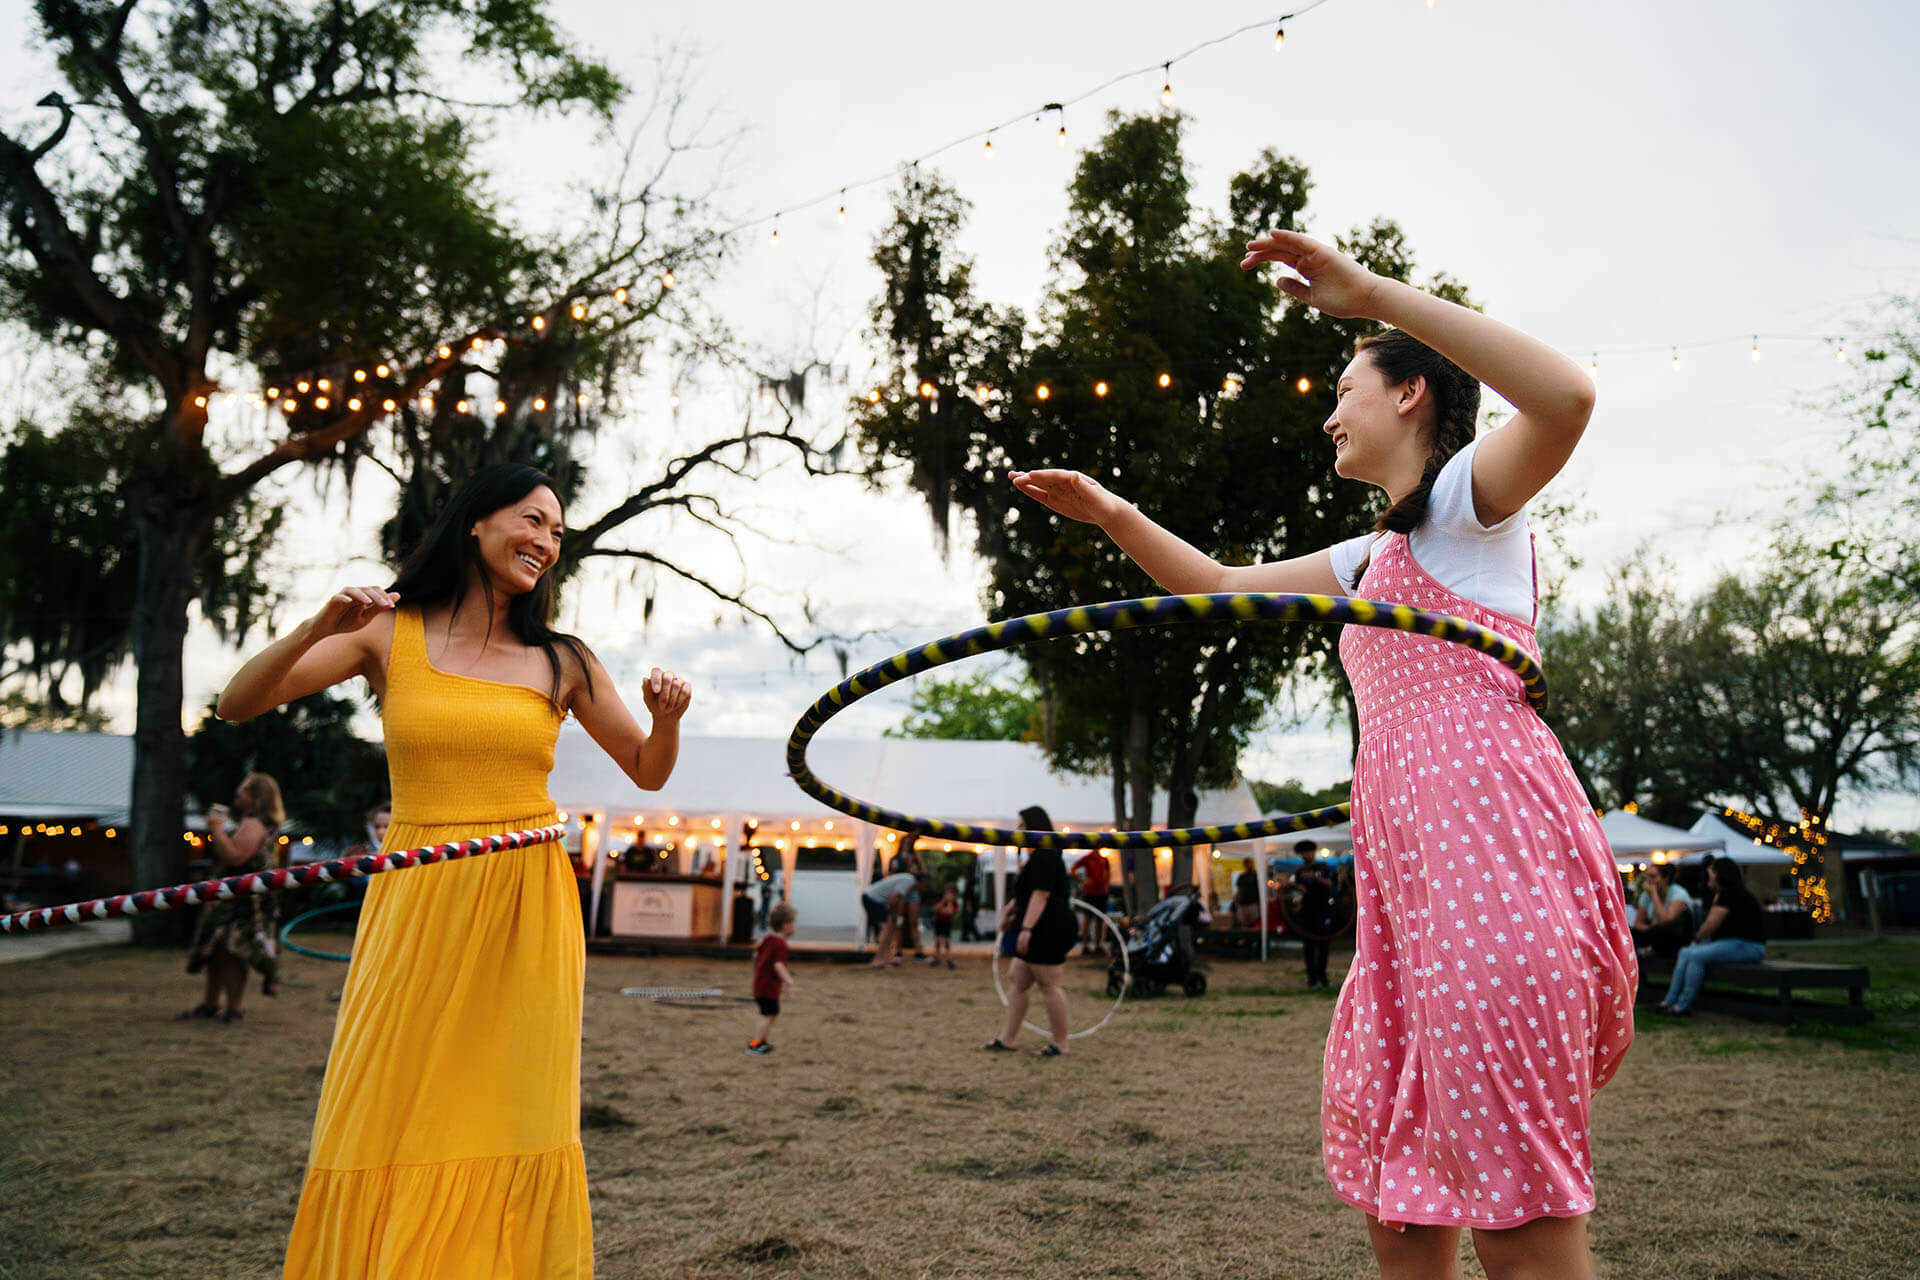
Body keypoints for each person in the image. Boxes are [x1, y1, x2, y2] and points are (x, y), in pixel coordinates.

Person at [1010, 228, 1635, 1276]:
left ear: (1410, 396)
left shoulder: (1472, 507)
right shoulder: (1375, 552)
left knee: (1518, 1228)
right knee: (1401, 1205)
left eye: (1346, 382)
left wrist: (1374, 298)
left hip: (1494, 870)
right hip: (1411, 903)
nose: (1327, 408)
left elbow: (1568, 396)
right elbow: (1213, 586)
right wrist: (1114, 511)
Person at [214, 463, 692, 1277]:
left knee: (507, 1101)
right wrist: (317, 623)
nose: (546, 542)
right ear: (476, 520)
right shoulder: (386, 633)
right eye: (532, 520)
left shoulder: (564, 660)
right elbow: (237, 703)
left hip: (523, 903)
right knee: (389, 1094)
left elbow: (648, 770)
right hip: (419, 890)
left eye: (557, 533)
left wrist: (667, 719)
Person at [182, 772, 287, 1022]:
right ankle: (211, 1002)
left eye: (243, 792)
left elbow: (236, 857)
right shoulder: (255, 823)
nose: (237, 796)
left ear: (257, 798)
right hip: (235, 897)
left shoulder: (254, 824)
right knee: (216, 950)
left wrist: (216, 829)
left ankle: (234, 1007)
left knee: (232, 950)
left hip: (243, 902)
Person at [983, 806, 1079, 1058]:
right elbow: (1027, 893)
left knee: (1049, 984)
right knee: (1018, 978)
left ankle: (1060, 1044)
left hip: (1050, 928)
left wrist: (1026, 929)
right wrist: (1009, 913)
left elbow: (1041, 893)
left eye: (1023, 826)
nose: (1019, 831)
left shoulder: (1046, 853)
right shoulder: (1037, 856)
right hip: (1037, 924)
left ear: (1035, 827)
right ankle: (1008, 1039)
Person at [1658, 857, 1766, 1015]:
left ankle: (1681, 1005)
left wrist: (1695, 941)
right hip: (1738, 944)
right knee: (1685, 952)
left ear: (1719, 875)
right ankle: (1669, 1000)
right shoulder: (1730, 893)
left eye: (1710, 874)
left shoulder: (1729, 895)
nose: (1707, 877)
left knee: (1694, 955)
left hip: (1747, 946)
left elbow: (1709, 926)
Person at [747, 903, 797, 1055]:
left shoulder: (767, 939)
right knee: (768, 1016)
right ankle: (755, 1044)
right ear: (785, 925)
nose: (796, 927)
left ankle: (762, 1042)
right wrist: (789, 982)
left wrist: (759, 972)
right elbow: (778, 966)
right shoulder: (780, 944)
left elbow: (756, 956)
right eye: (794, 923)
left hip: (761, 986)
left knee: (770, 1014)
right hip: (767, 989)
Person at [1290, 840, 1338, 989]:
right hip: (1307, 913)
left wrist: (1316, 877)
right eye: (1303, 853)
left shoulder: (1324, 868)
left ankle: (1322, 977)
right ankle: (1312, 978)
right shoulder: (1299, 872)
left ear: (1313, 853)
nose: (1306, 855)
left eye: (1308, 852)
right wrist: (1297, 887)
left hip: (1323, 911)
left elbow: (1331, 884)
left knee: (1323, 945)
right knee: (1308, 946)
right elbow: (1296, 892)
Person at [1631, 862, 1695, 961]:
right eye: (1646, 876)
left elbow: (1665, 921)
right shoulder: (1646, 895)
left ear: (1666, 878)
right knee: (1630, 932)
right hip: (1654, 934)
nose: (1648, 881)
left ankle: (1640, 955)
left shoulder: (1678, 894)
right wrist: (1651, 928)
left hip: (1676, 938)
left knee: (1658, 931)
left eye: (1653, 876)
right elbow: (1637, 924)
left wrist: (1654, 895)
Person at [863, 868, 918, 968]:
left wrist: (893, 916)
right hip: (872, 898)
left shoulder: (906, 878)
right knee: (886, 929)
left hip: (873, 898)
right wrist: (893, 914)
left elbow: (896, 899)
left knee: (889, 928)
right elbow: (894, 897)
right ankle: (878, 959)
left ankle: (885, 957)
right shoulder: (910, 881)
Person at [1074, 849, 1112, 954]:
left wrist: (1106, 887)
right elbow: (1073, 869)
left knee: (1100, 920)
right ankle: (1085, 945)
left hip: (1101, 893)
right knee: (1088, 919)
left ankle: (1099, 944)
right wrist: (1083, 881)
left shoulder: (1104, 859)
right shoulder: (1087, 858)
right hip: (1090, 893)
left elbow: (1108, 874)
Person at [932, 883, 959, 969]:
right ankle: (937, 957)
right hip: (939, 922)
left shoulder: (954, 904)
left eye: (950, 894)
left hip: (946, 924)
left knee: (947, 943)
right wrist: (943, 901)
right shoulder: (941, 901)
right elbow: (936, 908)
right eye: (946, 893)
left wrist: (949, 902)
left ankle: (949, 959)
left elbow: (950, 912)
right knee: (937, 941)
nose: (947, 895)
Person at [1233, 857, 1262, 929]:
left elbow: (1259, 889)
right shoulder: (1241, 876)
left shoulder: (1255, 875)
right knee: (1243, 922)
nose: (1248, 865)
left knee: (1254, 921)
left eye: (1249, 863)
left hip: (1252, 903)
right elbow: (1239, 889)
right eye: (1246, 864)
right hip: (1243, 902)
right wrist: (1236, 900)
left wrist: (1259, 903)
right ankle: (1245, 937)